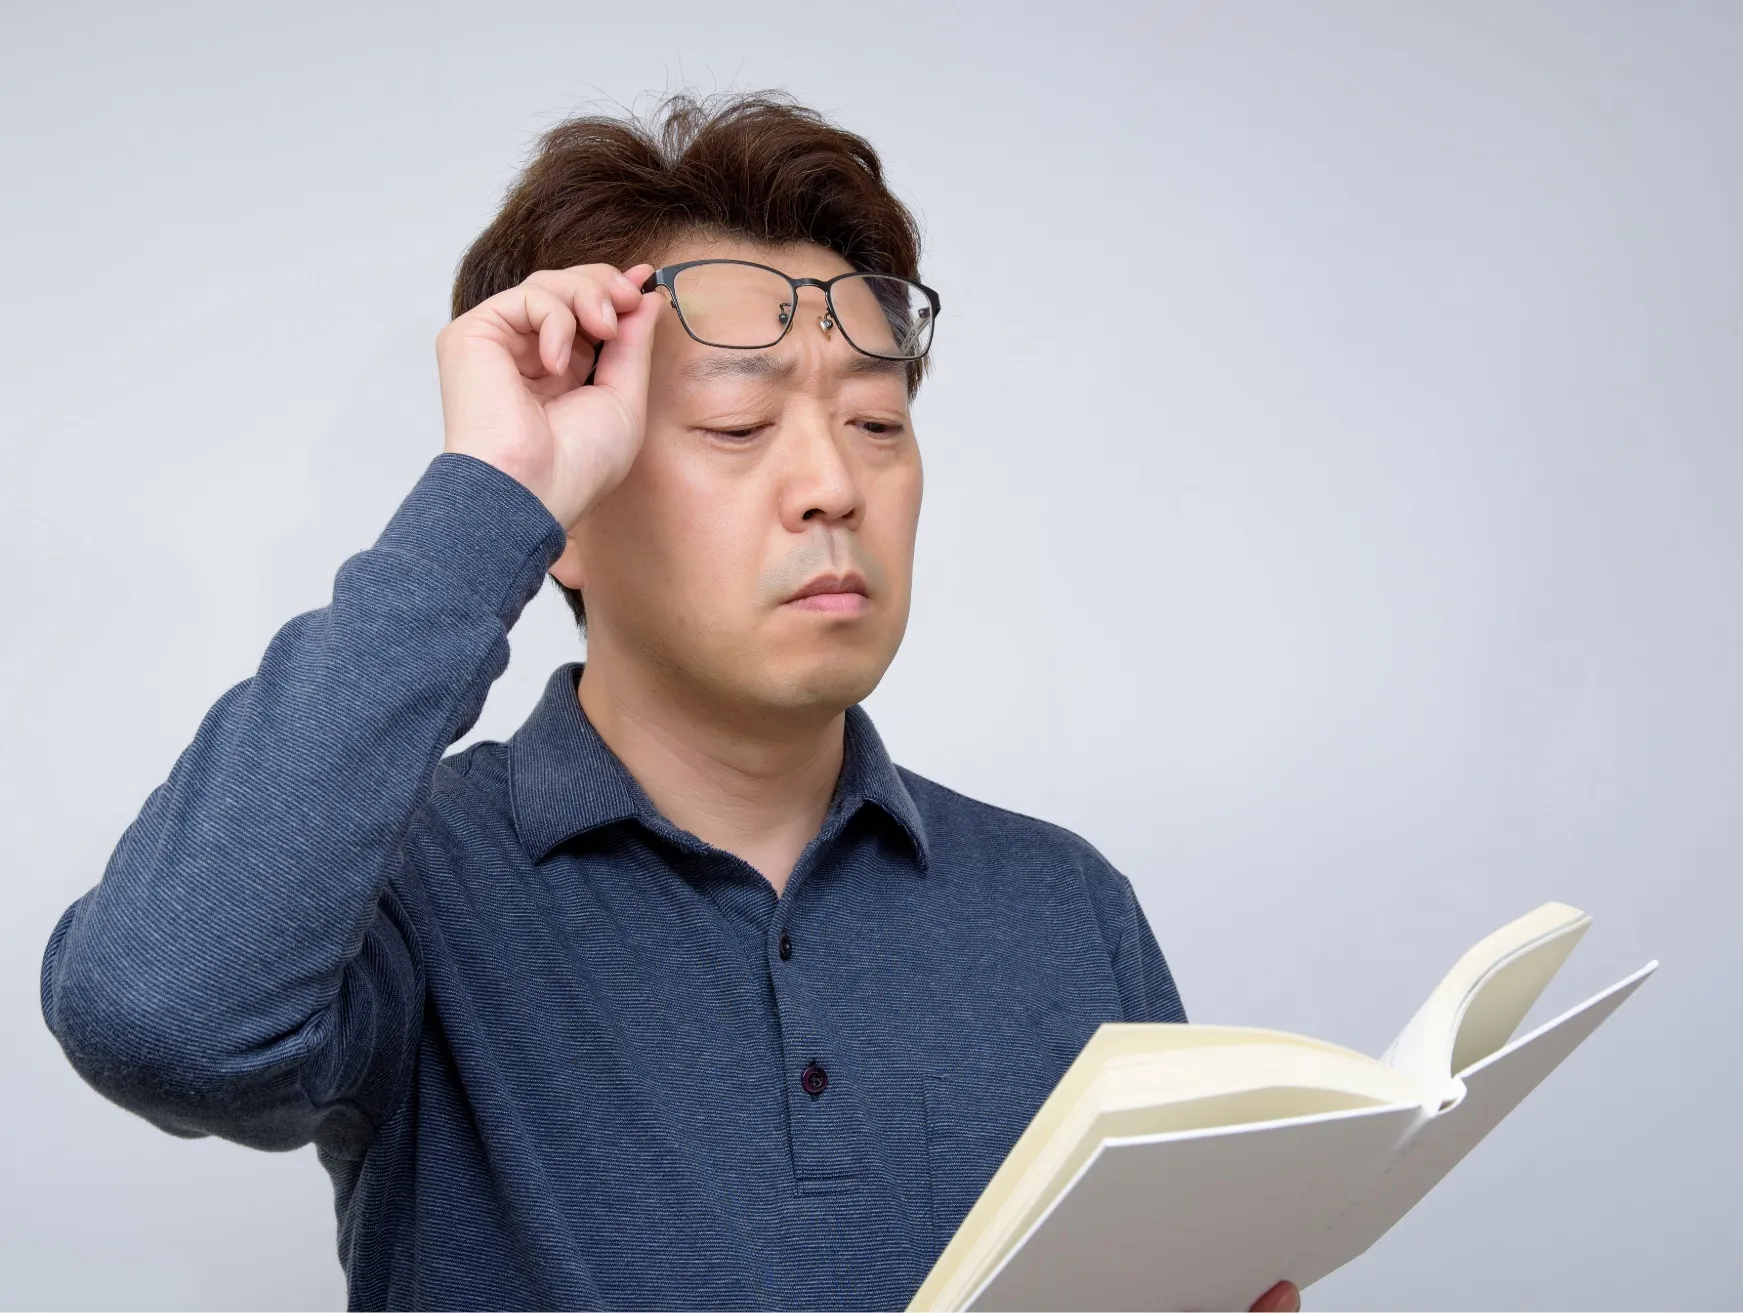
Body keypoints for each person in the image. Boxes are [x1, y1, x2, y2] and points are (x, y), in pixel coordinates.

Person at [39, 91, 1301, 1313]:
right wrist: (489, 493)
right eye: (740, 423)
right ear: (566, 516)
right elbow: (155, 1012)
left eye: (874, 420)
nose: (831, 485)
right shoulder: (407, 888)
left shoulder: (1063, 904)